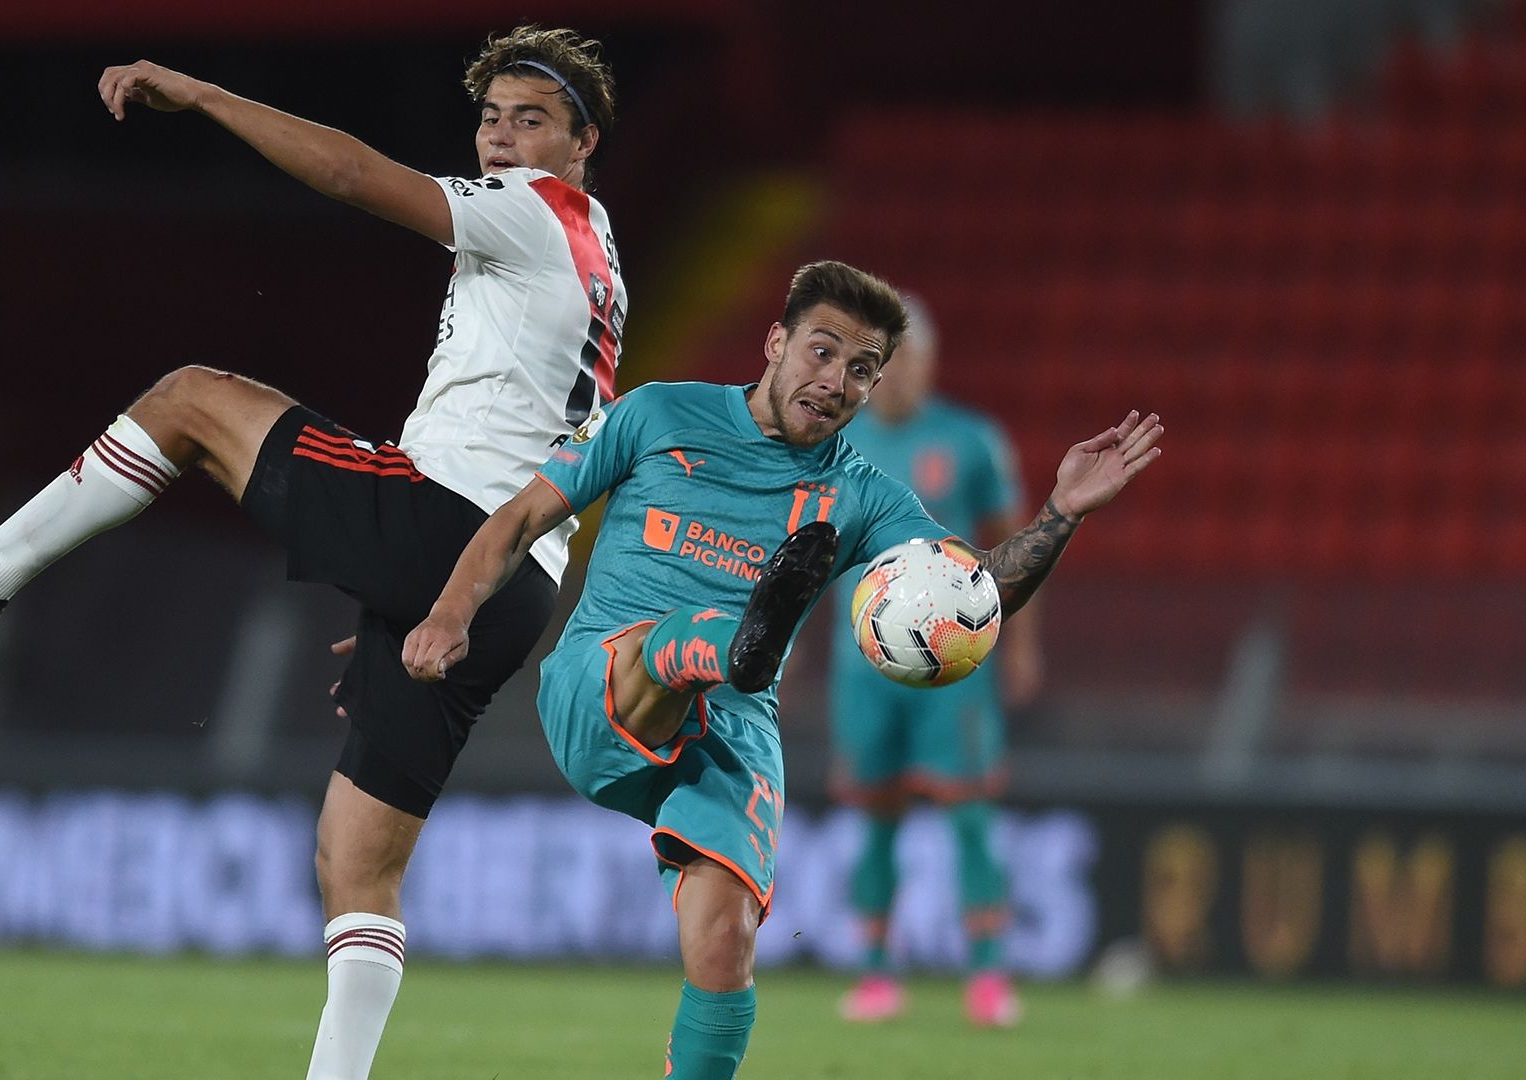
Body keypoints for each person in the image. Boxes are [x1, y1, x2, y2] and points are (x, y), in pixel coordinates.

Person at [0, 27, 622, 1080]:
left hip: (446, 522)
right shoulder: (594, 248)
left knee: (187, 401)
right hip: (506, 584)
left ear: (583, 143)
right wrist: (423, 599)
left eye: (530, 119)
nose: (500, 137)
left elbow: (358, 176)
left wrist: (209, 96)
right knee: (356, 864)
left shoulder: (533, 213)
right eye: (490, 116)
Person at [400, 261, 1162, 1077]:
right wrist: (448, 614)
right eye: (823, 353)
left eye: (863, 371)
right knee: (690, 641)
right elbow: (521, 517)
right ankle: (730, 645)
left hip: (730, 722)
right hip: (606, 680)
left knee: (725, 945)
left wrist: (1061, 514)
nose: (838, 382)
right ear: (776, 342)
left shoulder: (864, 494)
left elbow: (969, 594)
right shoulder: (656, 411)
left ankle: (735, 654)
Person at [826, 296, 1043, 1028]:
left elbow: (1018, 549)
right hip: (863, 668)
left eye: (909, 358)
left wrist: (1023, 644)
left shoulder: (970, 440)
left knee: (970, 815)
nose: (896, 375)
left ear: (928, 363)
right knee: (875, 819)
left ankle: (987, 974)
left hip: (956, 669)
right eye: (884, 362)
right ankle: (876, 972)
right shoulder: (834, 442)